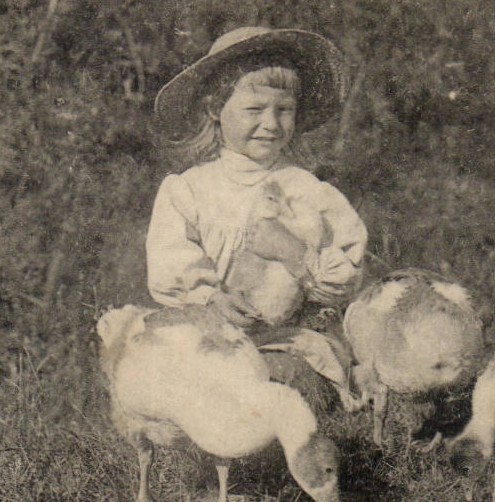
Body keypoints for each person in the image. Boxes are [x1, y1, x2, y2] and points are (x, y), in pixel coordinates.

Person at [147, 27, 368, 335]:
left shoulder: (310, 193)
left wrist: (294, 254)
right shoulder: (189, 190)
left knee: (289, 372)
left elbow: (344, 280)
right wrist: (209, 299)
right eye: (254, 109)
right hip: (206, 333)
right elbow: (170, 263)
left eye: (284, 110)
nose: (271, 124)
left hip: (286, 339)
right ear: (215, 108)